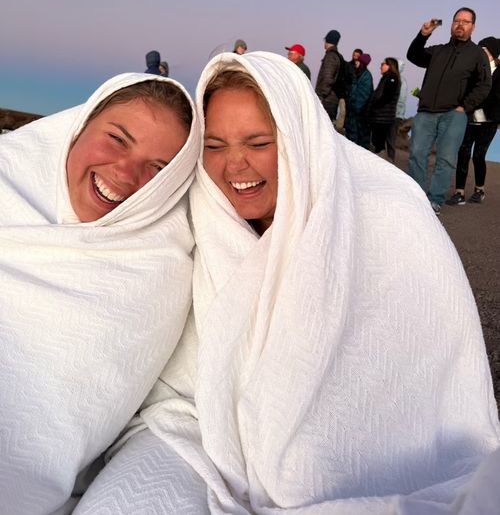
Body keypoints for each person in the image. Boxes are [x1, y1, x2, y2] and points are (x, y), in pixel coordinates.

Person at [75, 52, 500, 514]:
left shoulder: (389, 216)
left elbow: (421, 383)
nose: (234, 165)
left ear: (299, 137)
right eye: (214, 145)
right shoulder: (201, 210)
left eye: (258, 143)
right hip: (196, 424)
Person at [0, 72, 200, 514]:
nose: (126, 173)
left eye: (158, 169)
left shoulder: (160, 265)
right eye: (117, 139)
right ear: (79, 126)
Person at [407, 8, 491, 215]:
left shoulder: (477, 54)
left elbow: (484, 84)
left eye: (465, 21)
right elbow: (414, 56)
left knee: (445, 159)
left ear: (473, 27)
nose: (460, 24)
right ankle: (417, 198)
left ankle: (434, 200)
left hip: (454, 114)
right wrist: (423, 35)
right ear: (452, 24)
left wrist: (465, 107)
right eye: (456, 20)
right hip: (426, 111)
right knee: (417, 154)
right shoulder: (438, 51)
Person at [447, 36, 500, 206]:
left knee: (478, 155)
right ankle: (459, 192)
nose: (480, 53)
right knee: (463, 152)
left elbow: (496, 97)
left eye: (483, 50)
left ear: (492, 53)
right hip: (470, 117)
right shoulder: (473, 70)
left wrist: (477, 101)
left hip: (489, 120)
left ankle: (479, 190)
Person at [368, 57, 401, 157]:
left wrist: (375, 106)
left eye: (383, 64)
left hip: (383, 117)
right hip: (380, 115)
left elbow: (387, 96)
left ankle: (381, 162)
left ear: (390, 66)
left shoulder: (392, 78)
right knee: (377, 141)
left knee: (379, 143)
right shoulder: (386, 78)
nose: (381, 66)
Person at [315, 28, 344, 123]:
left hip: (327, 100)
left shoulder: (331, 56)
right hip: (333, 99)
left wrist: (321, 96)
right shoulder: (338, 56)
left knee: (323, 125)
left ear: (327, 40)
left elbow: (327, 78)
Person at [344, 52, 373, 148]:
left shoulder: (366, 77)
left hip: (359, 115)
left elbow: (363, 95)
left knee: (357, 140)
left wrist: (355, 107)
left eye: (358, 61)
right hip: (353, 113)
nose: (356, 62)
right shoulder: (358, 74)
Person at [387, 58, 408, 162]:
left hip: (394, 113)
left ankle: (390, 160)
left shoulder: (400, 81)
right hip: (393, 112)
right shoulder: (394, 79)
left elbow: (401, 99)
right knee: (388, 137)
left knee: (391, 137)